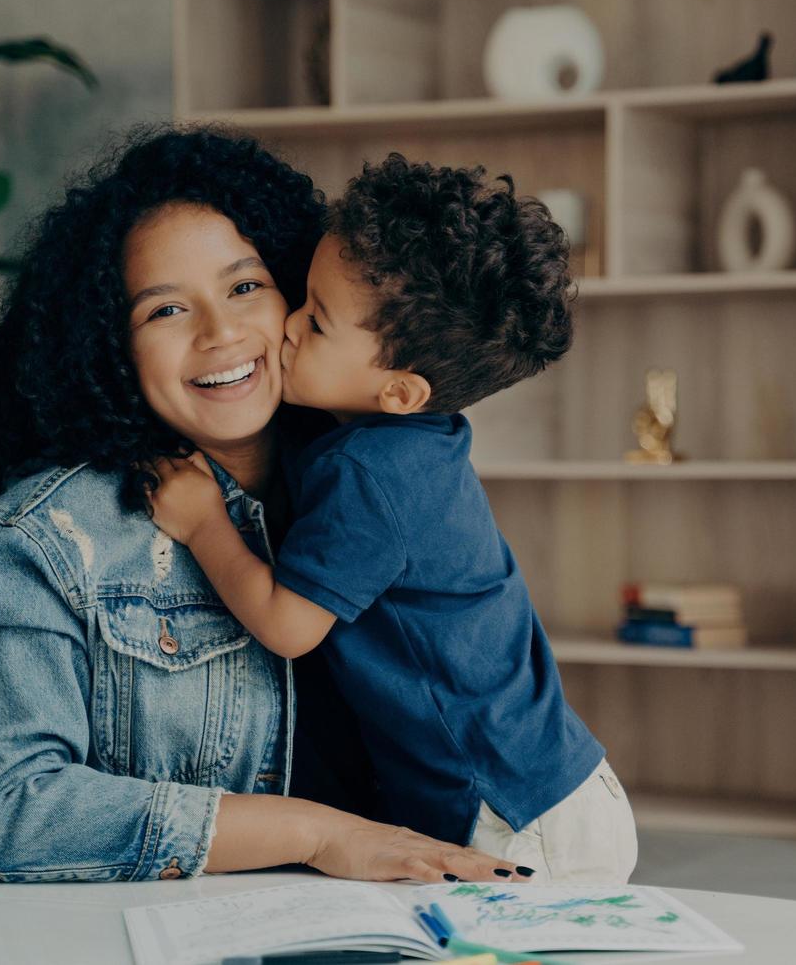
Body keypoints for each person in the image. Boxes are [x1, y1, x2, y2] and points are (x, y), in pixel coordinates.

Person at [0, 127, 522, 884]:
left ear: (302, 296)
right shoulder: (48, 538)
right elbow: (6, 812)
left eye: (245, 286)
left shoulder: (375, 484)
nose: (222, 332)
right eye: (165, 311)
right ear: (107, 343)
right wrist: (316, 834)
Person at [146, 154, 638, 883]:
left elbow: (286, 626)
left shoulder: (370, 475)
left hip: (511, 818)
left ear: (401, 392)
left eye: (316, 323)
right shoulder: (411, 444)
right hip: (552, 788)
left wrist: (201, 521)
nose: (286, 324)